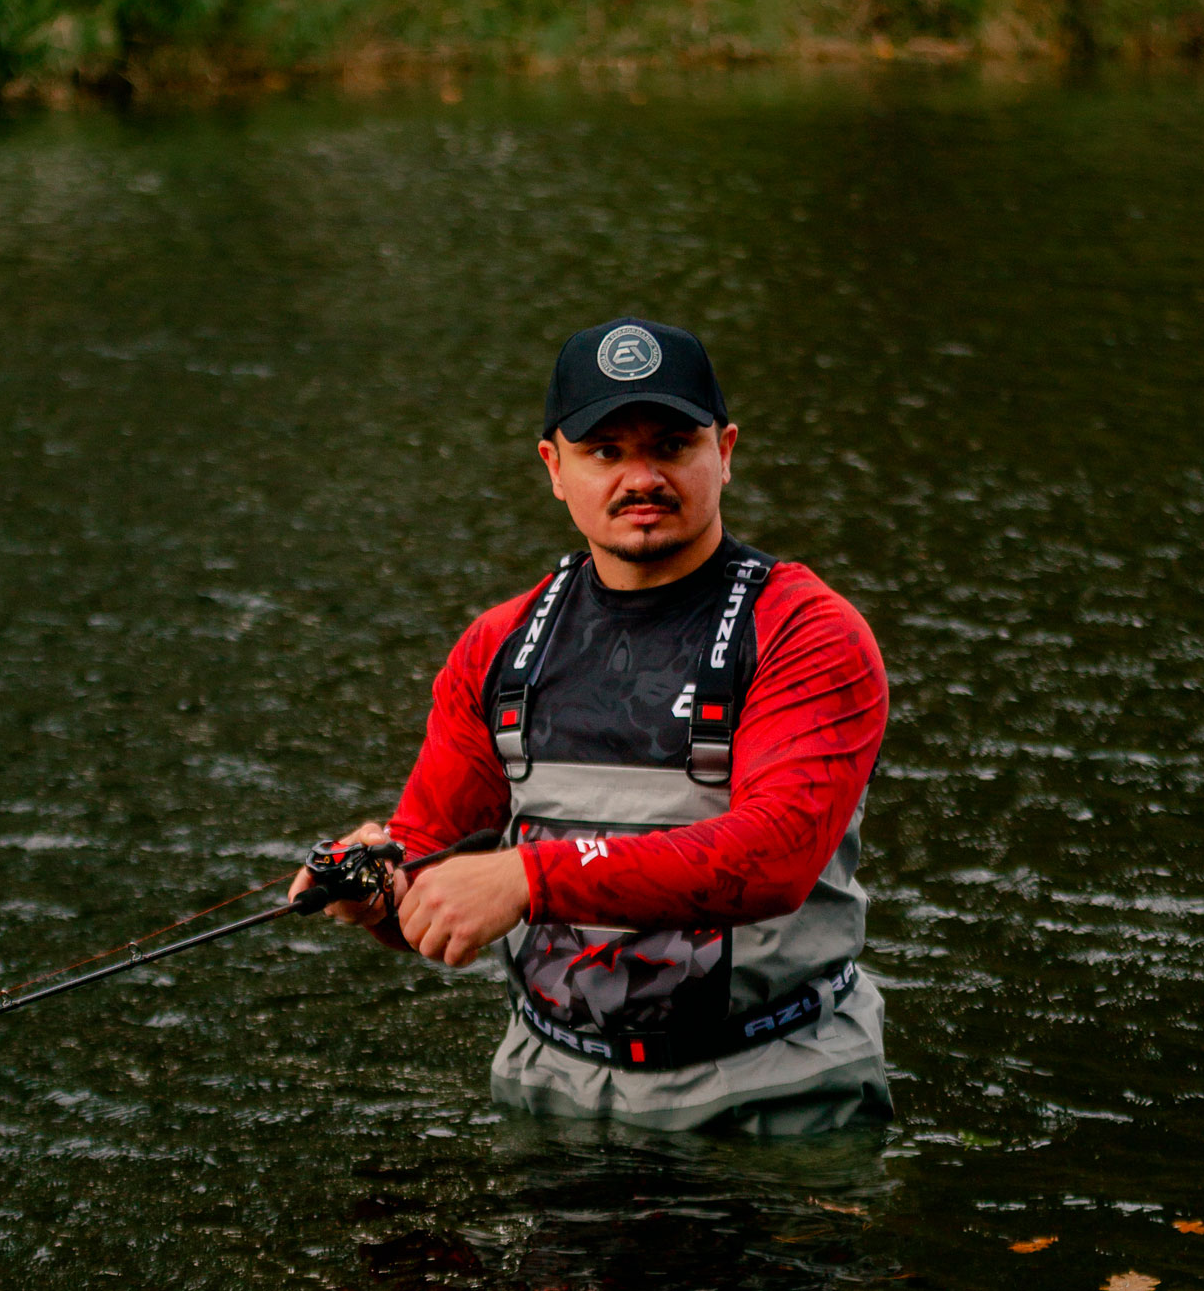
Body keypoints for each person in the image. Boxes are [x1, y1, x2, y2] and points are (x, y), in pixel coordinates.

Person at [291, 317, 892, 1133]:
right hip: (551, 1097)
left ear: (725, 452)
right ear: (554, 467)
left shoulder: (807, 632)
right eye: (605, 452)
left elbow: (775, 856)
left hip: (771, 1099)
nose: (641, 478)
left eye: (671, 446)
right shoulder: (497, 646)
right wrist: (377, 894)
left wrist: (527, 877)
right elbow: (432, 862)